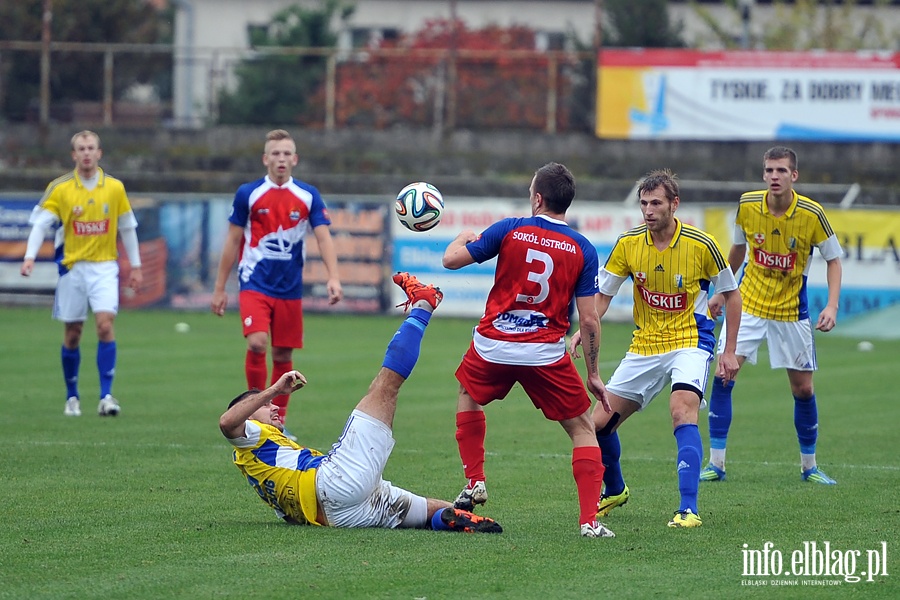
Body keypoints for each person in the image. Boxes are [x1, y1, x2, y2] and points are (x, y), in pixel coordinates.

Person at [219, 272, 502, 533]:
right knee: (384, 386)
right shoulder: (250, 438)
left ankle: (459, 518)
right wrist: (274, 390)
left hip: (339, 516)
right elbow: (227, 422)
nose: (273, 408)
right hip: (335, 484)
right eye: (264, 407)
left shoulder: (257, 458)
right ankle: (424, 304)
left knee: (431, 512)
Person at [442, 162, 614, 538]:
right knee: (583, 428)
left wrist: (461, 237)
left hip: (493, 345)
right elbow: (588, 320)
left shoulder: (511, 228)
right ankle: (589, 522)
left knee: (468, 395)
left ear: (537, 198)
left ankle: (475, 481)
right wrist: (594, 374)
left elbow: (450, 261)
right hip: (544, 354)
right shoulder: (582, 248)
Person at [571, 169, 742, 528]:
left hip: (690, 342)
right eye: (644, 203)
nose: (648, 211)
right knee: (597, 425)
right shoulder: (628, 244)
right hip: (644, 344)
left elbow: (732, 294)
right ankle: (615, 489)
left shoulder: (702, 244)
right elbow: (601, 298)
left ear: (674, 205)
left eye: (656, 203)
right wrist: (582, 327)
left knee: (681, 411)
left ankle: (688, 509)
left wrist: (729, 350)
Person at [700, 147, 843, 486]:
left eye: (781, 170)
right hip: (747, 304)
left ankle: (810, 466)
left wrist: (832, 305)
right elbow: (738, 250)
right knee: (723, 374)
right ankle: (716, 463)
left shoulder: (812, 213)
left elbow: (834, 259)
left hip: (792, 311)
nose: (774, 176)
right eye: (769, 170)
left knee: (803, 389)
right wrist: (722, 290)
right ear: (763, 174)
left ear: (794, 176)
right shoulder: (748, 205)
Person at [211, 129, 343, 437]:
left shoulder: (308, 195)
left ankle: (278, 421)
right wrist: (219, 288)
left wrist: (333, 277)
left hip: (289, 288)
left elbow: (323, 237)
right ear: (265, 159)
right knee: (257, 342)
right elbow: (232, 241)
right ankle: (254, 412)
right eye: (275, 153)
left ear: (294, 159)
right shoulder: (249, 193)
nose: (281, 159)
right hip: (254, 282)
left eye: (287, 154)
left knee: (283, 355)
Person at [20, 130, 142, 417]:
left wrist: (135, 266)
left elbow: (127, 227)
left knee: (104, 325)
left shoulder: (114, 188)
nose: (86, 153)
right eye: (81, 149)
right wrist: (29, 257)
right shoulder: (60, 188)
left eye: (91, 148)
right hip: (73, 268)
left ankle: (106, 397)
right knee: (73, 334)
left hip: (104, 266)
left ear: (99, 153)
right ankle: (72, 396)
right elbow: (40, 225)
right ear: (73, 155)